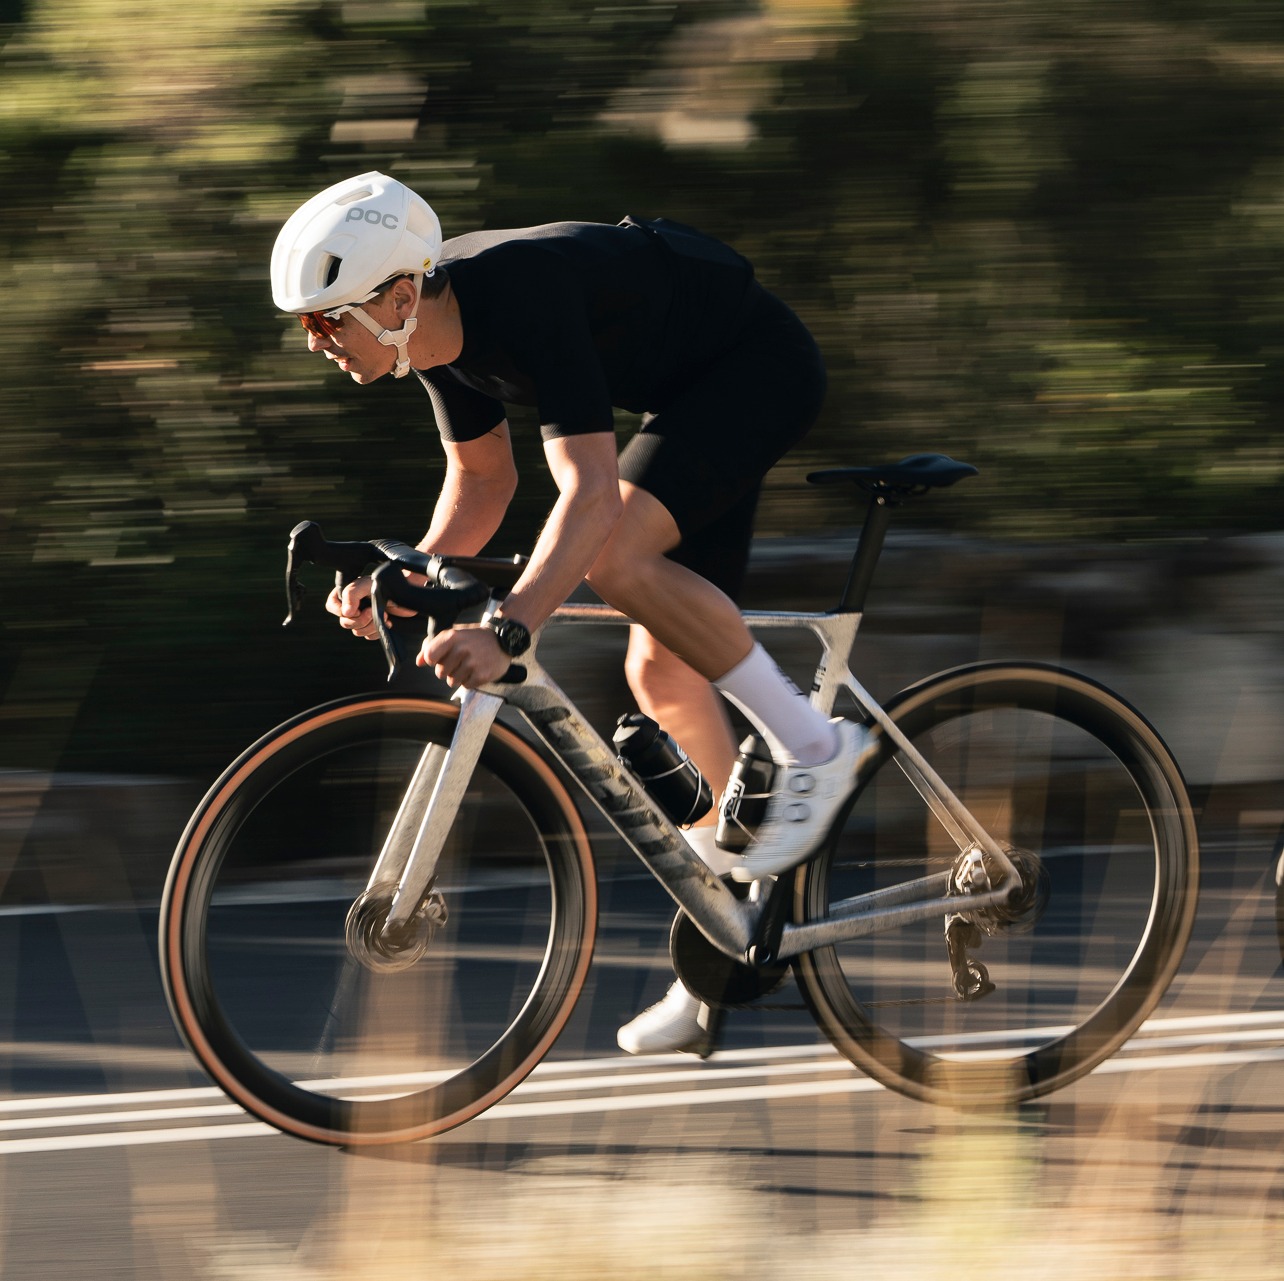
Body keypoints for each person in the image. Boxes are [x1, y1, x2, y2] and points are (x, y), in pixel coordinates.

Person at [270, 171, 868, 1055]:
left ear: (397, 299)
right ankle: (727, 940)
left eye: (328, 321)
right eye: (309, 326)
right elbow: (483, 481)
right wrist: (406, 575)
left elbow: (589, 499)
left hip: (757, 368)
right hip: (690, 396)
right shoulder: (435, 337)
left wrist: (508, 629)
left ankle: (819, 746)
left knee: (616, 555)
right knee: (659, 671)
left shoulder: (521, 297)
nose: (319, 343)